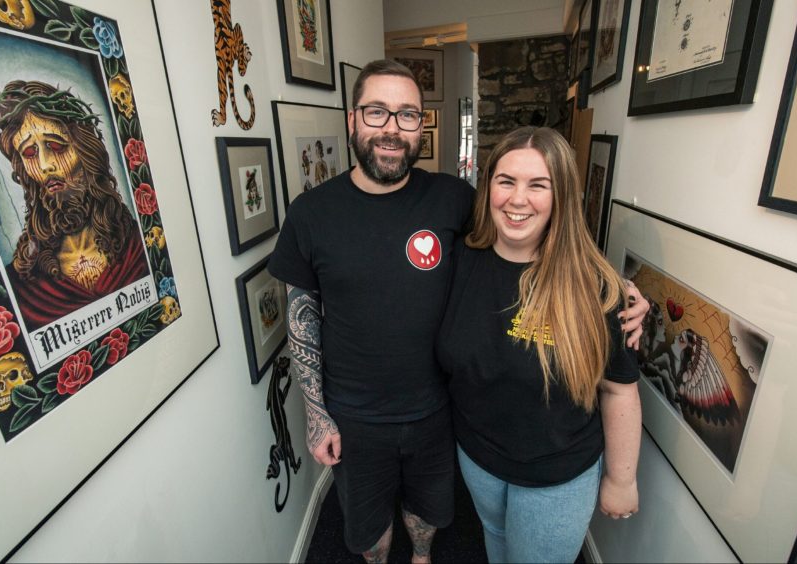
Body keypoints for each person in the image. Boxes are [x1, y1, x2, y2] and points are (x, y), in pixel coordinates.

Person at [269, 60, 647, 563]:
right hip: (356, 414)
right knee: (367, 531)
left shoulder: (452, 198)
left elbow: (531, 232)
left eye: (406, 115)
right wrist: (315, 415)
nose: (391, 128)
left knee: (429, 515)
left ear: (420, 126)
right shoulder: (311, 213)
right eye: (377, 111)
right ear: (352, 119)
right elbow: (302, 319)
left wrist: (613, 289)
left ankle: (422, 559)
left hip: (437, 411)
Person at [436, 126, 642, 563]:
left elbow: (618, 388)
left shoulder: (595, 286)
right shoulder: (459, 260)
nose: (516, 199)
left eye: (537, 185)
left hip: (556, 478)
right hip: (478, 459)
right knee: (495, 541)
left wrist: (621, 480)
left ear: (561, 196)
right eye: (506, 181)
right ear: (488, 184)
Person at [0, 80, 149, 330]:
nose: (46, 164)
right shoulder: (25, 278)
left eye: (56, 146)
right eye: (29, 153)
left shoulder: (140, 243)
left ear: (86, 152)